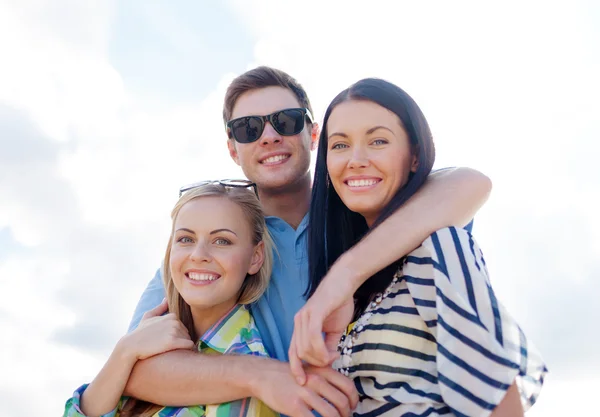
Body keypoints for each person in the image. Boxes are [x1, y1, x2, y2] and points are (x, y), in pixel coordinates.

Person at [124, 67, 493, 417]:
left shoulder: (368, 207)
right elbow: (137, 371)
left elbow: (468, 183)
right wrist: (263, 375)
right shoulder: (215, 247)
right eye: (249, 128)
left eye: (286, 121)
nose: (269, 136)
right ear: (233, 149)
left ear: (313, 135)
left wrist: (344, 277)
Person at [289, 78, 547, 416]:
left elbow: (499, 400)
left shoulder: (438, 248)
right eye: (339, 145)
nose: (356, 159)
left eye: (378, 141)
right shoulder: (344, 277)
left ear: (414, 156)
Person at [63, 184, 279, 417]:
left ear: (255, 257)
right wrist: (126, 350)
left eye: (222, 241)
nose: (198, 255)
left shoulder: (249, 376)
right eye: (186, 239)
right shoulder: (146, 340)